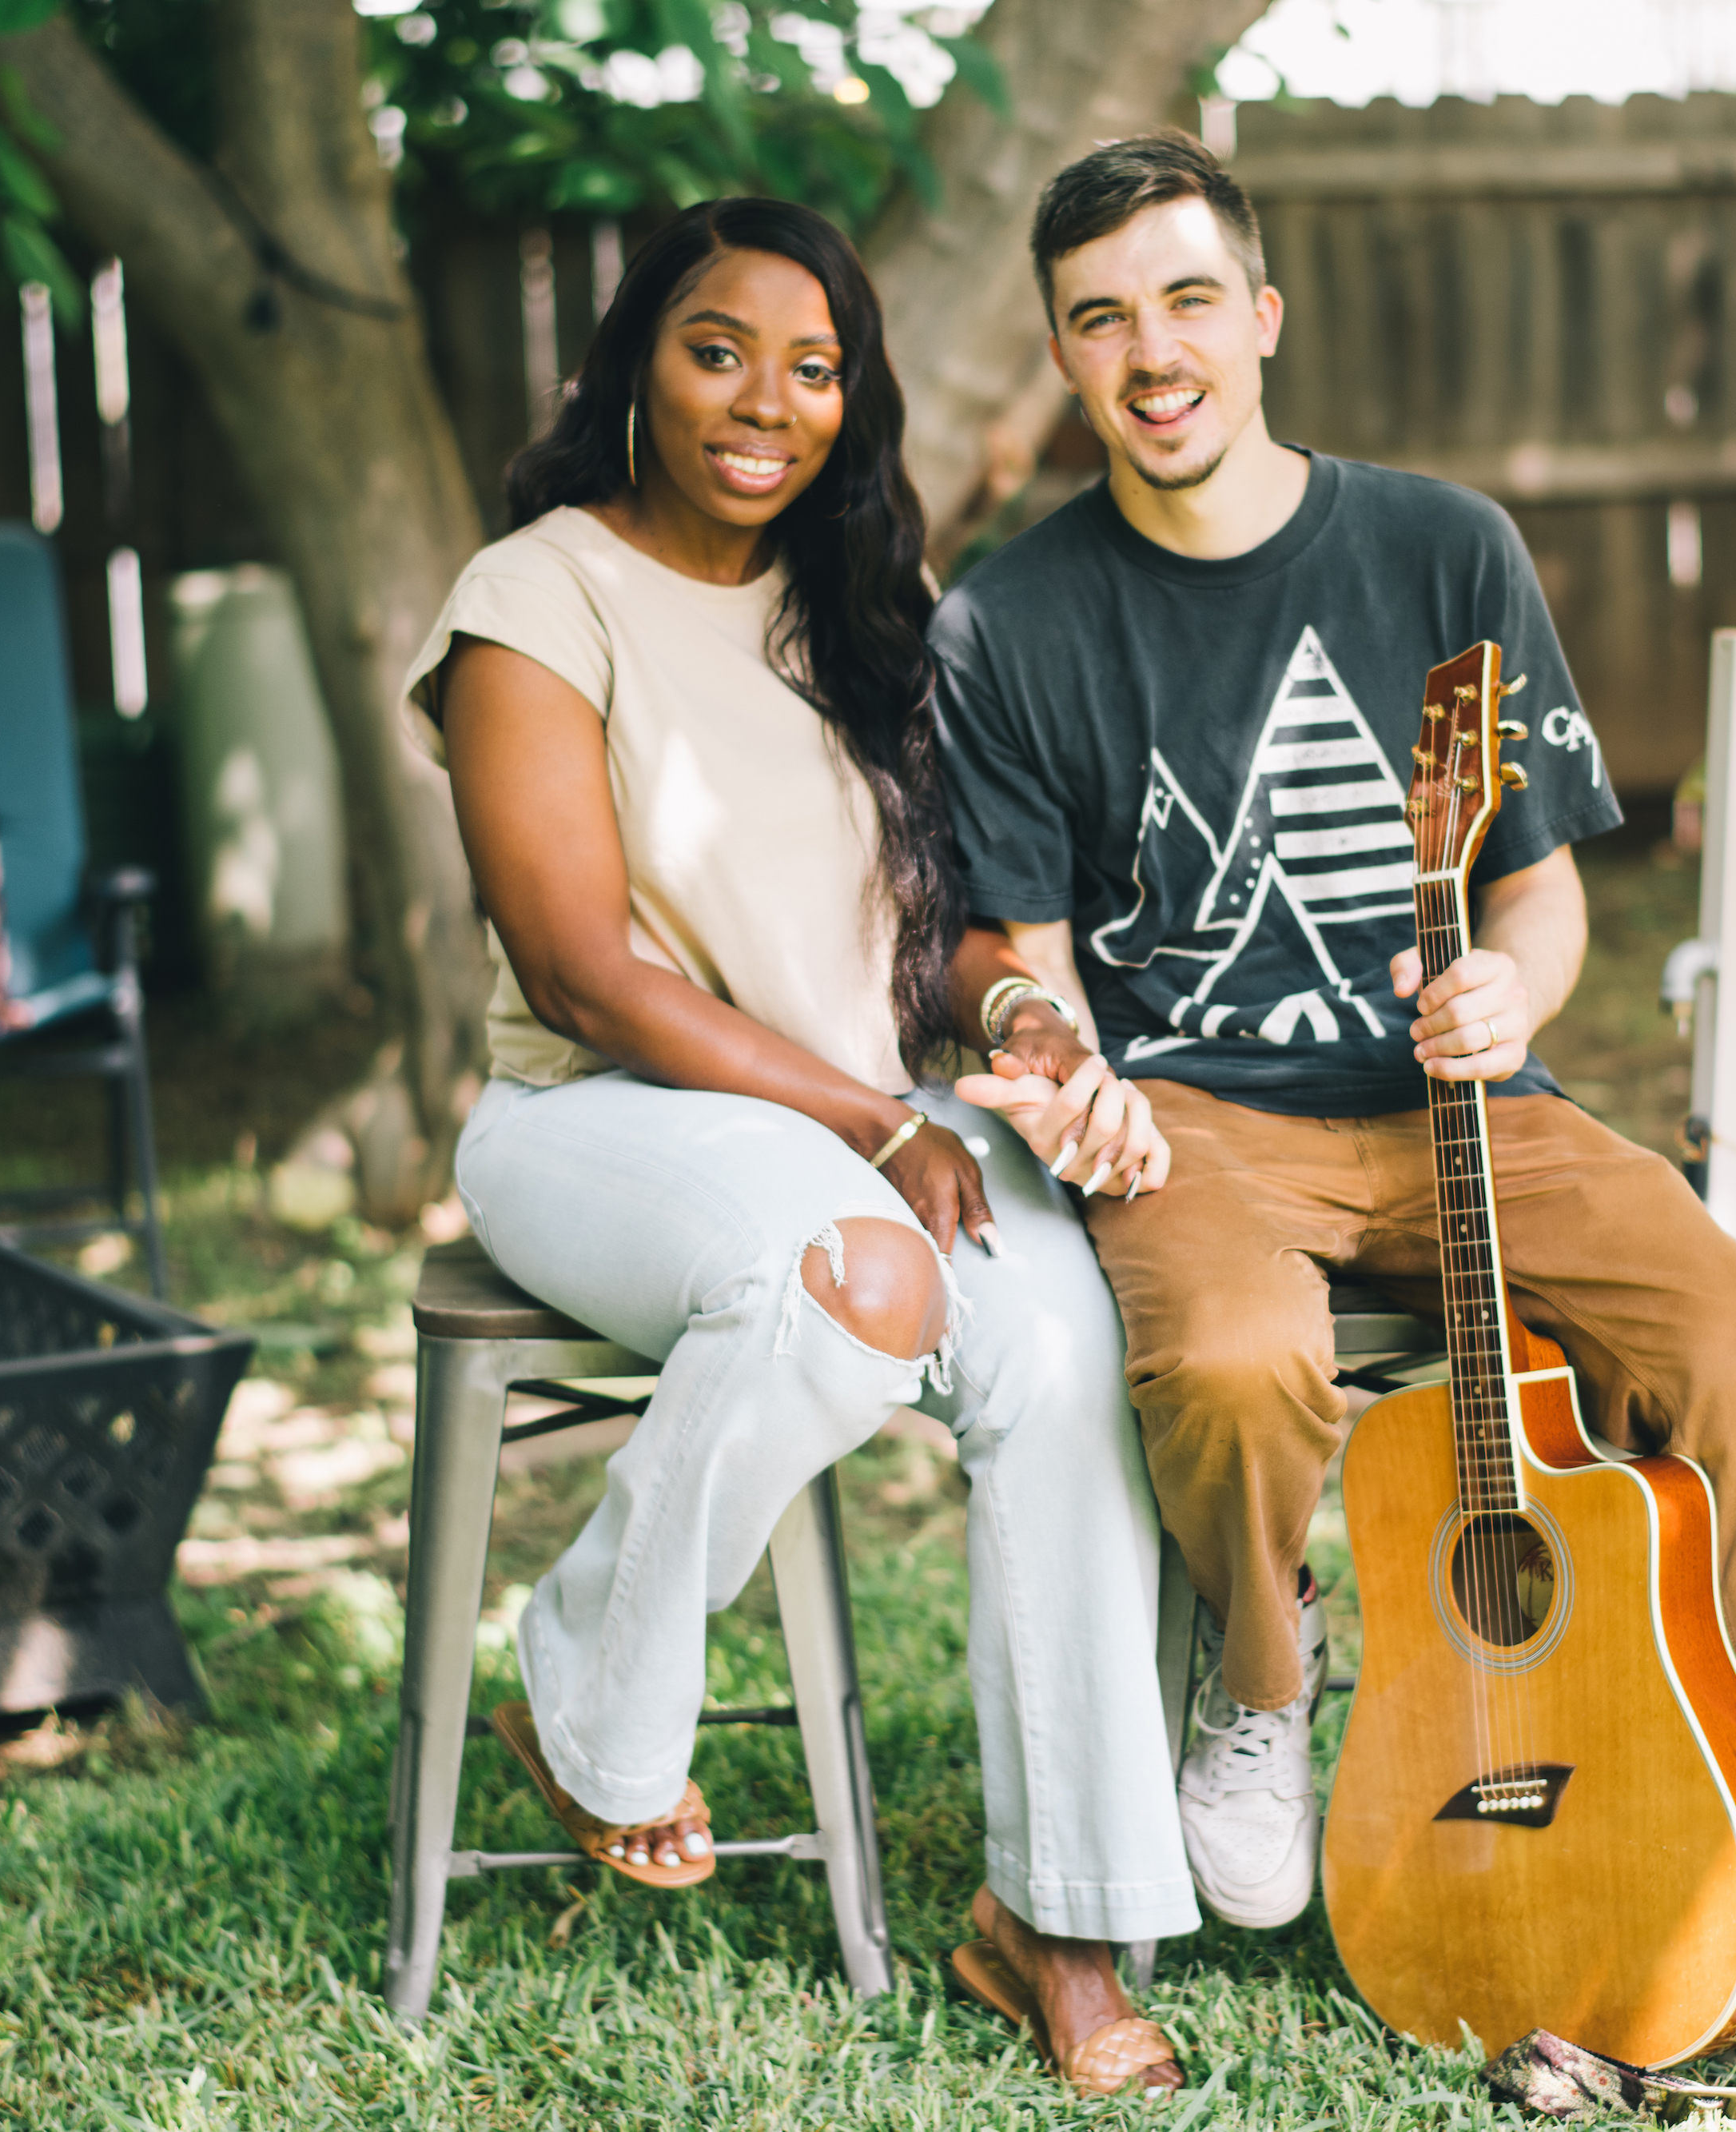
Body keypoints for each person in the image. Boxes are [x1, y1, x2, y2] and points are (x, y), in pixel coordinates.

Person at [932, 137, 1736, 2129]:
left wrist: (1514, 988)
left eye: (1184, 298)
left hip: (1465, 1103)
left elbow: (1543, 884)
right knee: (1238, 1358)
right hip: (1206, 1123)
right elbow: (1028, 953)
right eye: (1099, 318)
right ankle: (1259, 1672)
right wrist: (1068, 1060)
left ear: (1262, 315)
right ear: (1063, 358)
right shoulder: (1015, 621)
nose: (1151, 352)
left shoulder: (1440, 548)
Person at [407, 197, 1193, 2098]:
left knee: (1074, 1352)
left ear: (854, 403)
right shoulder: (537, 593)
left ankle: (1058, 1927)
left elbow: (967, 929)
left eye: (814, 365)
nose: (767, 399)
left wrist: (1014, 1028)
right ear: (633, 367)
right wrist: (865, 1123)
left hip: (867, 1122)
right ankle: (587, 1682)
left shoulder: (859, 625)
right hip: (597, 1124)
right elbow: (581, 970)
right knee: (852, 1277)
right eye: (716, 347)